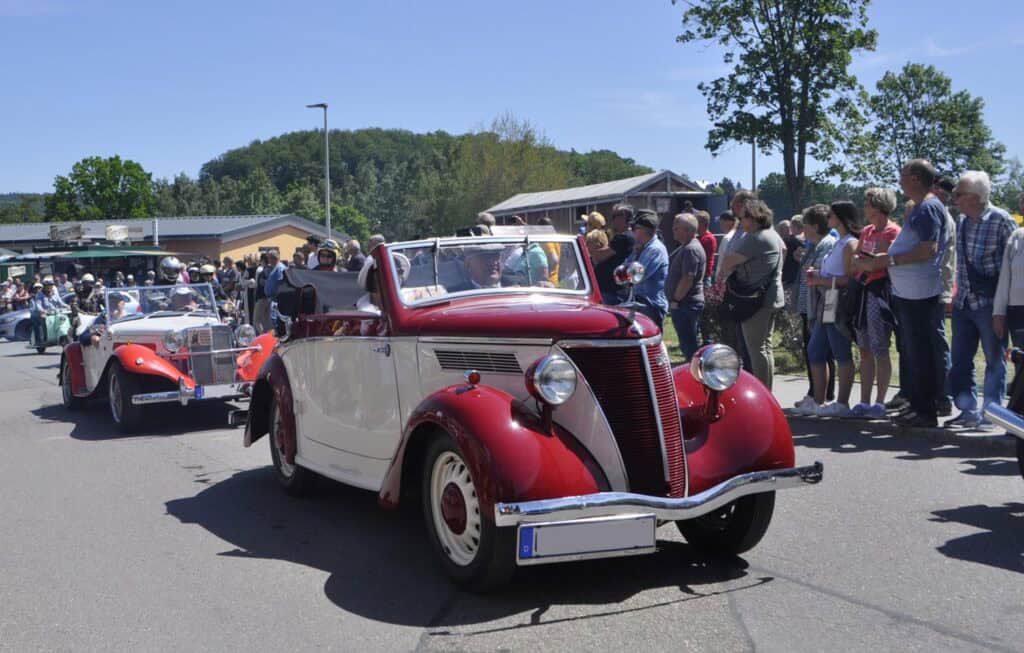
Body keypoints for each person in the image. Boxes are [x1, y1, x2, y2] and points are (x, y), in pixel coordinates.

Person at [871, 160, 949, 427]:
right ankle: (917, 405)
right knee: (914, 352)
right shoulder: (922, 207)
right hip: (911, 292)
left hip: (920, 293)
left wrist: (889, 261)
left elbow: (928, 249)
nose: (900, 180)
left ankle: (925, 411)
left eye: (903, 175)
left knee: (920, 352)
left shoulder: (927, 207)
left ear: (915, 178)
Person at [945, 171, 1017, 429]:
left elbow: (1011, 269)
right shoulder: (962, 220)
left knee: (994, 360)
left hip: (990, 306)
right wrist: (954, 295)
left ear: (975, 197)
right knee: (961, 360)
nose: (955, 199)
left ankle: (992, 414)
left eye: (959, 194)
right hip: (964, 302)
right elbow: (959, 264)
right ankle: (967, 411)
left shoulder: (1002, 221)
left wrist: (1001, 309)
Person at [717, 198, 785, 390]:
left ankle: (763, 393)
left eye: (744, 217)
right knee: (765, 347)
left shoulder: (755, 238)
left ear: (754, 218)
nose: (740, 220)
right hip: (770, 296)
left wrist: (733, 264)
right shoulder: (772, 235)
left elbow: (728, 262)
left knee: (757, 350)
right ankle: (768, 391)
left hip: (755, 299)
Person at [847, 188, 901, 418]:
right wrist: (866, 263)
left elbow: (878, 264)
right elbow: (856, 261)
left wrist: (866, 263)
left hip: (881, 293)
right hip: (862, 291)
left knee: (880, 347)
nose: (864, 207)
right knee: (864, 348)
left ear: (879, 205)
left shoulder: (892, 231)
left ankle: (880, 401)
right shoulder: (866, 231)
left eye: (868, 203)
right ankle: (864, 400)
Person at [793, 205, 837, 413]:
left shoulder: (827, 245)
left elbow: (824, 275)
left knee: (822, 350)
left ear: (815, 226)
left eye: (806, 225)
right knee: (812, 349)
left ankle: (824, 395)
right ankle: (814, 393)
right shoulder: (814, 245)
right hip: (810, 306)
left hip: (822, 304)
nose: (803, 230)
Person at [667, 213, 706, 360]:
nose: (673, 230)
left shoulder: (691, 249)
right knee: (687, 343)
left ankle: (693, 374)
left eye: (677, 228)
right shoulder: (686, 247)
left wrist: (676, 300)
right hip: (685, 303)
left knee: (689, 344)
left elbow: (687, 279)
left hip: (686, 303)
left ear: (688, 230)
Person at [623, 210, 670, 328]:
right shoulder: (640, 248)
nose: (632, 231)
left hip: (651, 305)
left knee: (650, 342)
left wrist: (626, 273)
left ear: (643, 229)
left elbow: (637, 275)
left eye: (635, 227)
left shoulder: (655, 250)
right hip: (640, 303)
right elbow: (623, 269)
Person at [590, 203, 636, 304]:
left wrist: (589, 248)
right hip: (614, 288)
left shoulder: (623, 238)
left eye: (616, 216)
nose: (613, 220)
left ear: (624, 218)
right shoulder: (628, 236)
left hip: (611, 290)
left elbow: (598, 257)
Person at [30, 278, 69, 344]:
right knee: (42, 318)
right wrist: (42, 311)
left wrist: (67, 306)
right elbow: (38, 305)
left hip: (55, 312)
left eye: (51, 285)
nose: (49, 287)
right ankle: (42, 338)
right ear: (44, 286)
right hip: (44, 313)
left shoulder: (54, 293)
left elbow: (60, 303)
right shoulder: (39, 294)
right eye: (47, 285)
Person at [263, 249, 288, 335]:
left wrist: (275, 296)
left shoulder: (280, 268)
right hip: (272, 300)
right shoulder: (275, 268)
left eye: (269, 258)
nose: (268, 260)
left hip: (276, 300)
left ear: (273, 258)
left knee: (276, 323)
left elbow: (281, 284)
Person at [695, 210, 717, 284]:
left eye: (696, 222)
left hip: (704, 277)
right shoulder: (699, 237)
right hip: (699, 276)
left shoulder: (708, 238)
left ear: (703, 223)